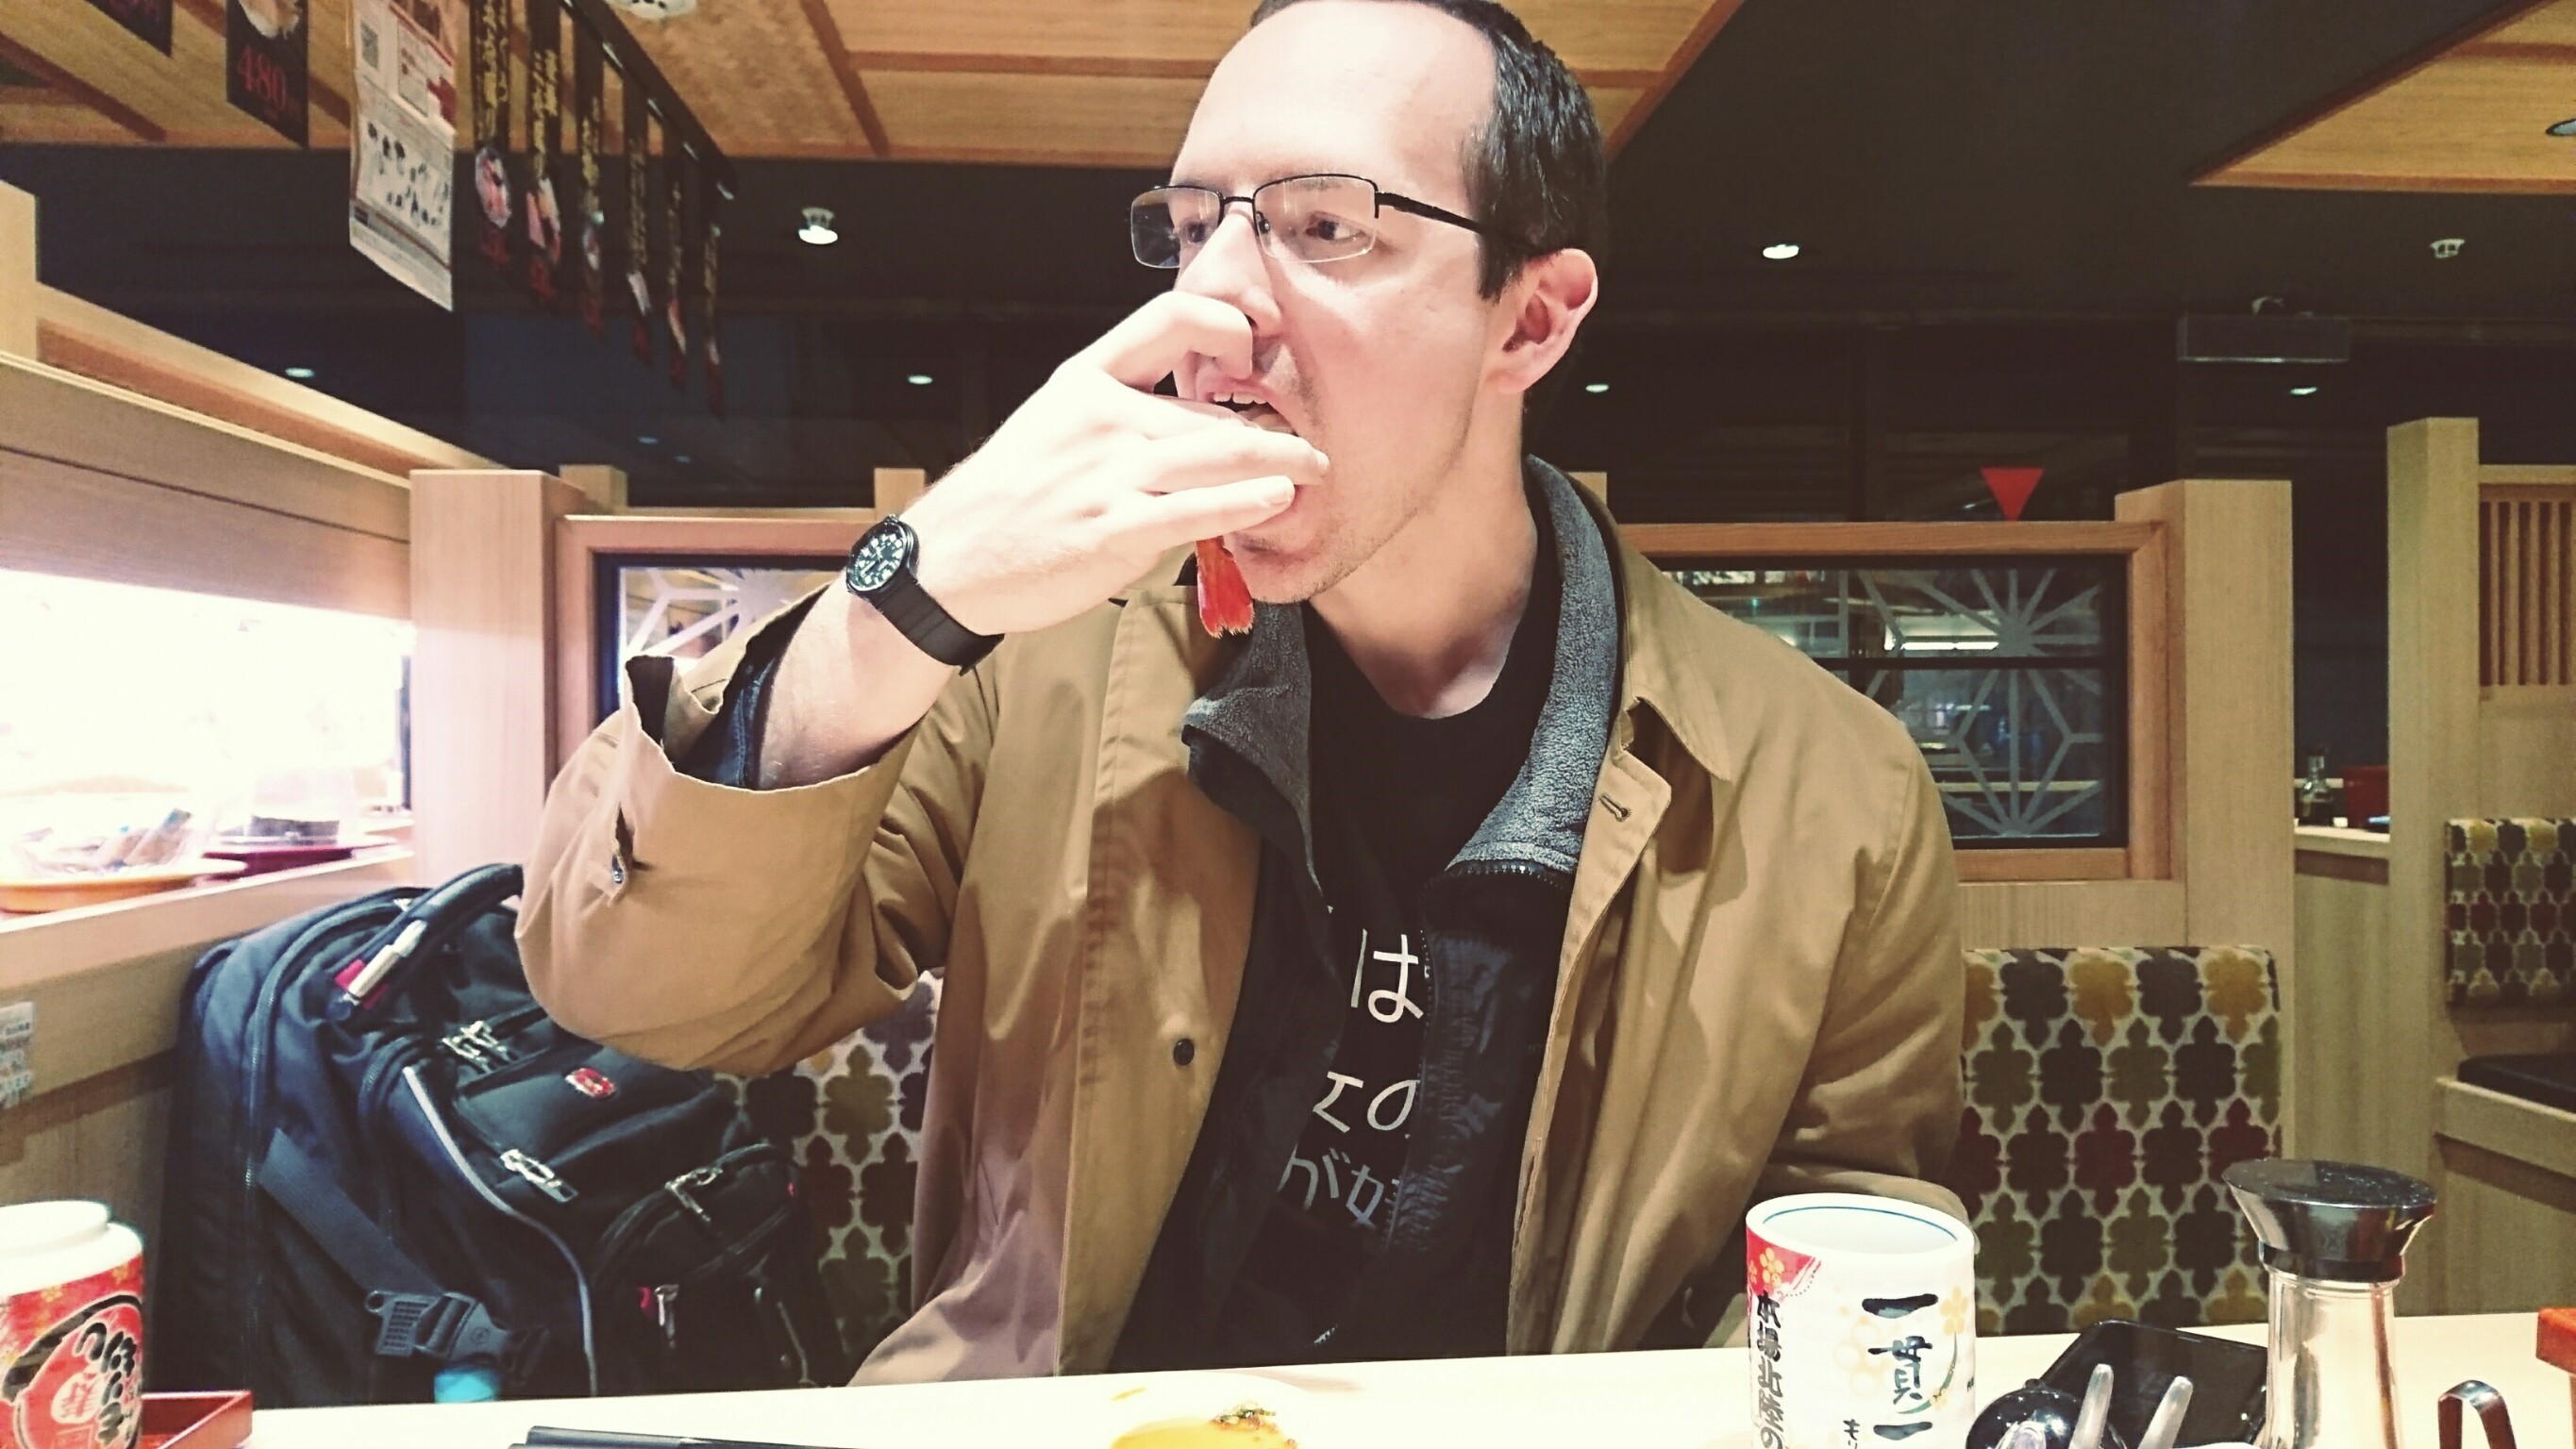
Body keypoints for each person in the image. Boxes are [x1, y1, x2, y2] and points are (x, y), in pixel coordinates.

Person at [521, 0, 1962, 1383]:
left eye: (1325, 227)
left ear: (1528, 321)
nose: (1207, 305)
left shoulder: (1830, 790)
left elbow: (1857, 1232)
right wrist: (905, 600)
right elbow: (642, 998)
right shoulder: (1037, 658)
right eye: (1191, 228)